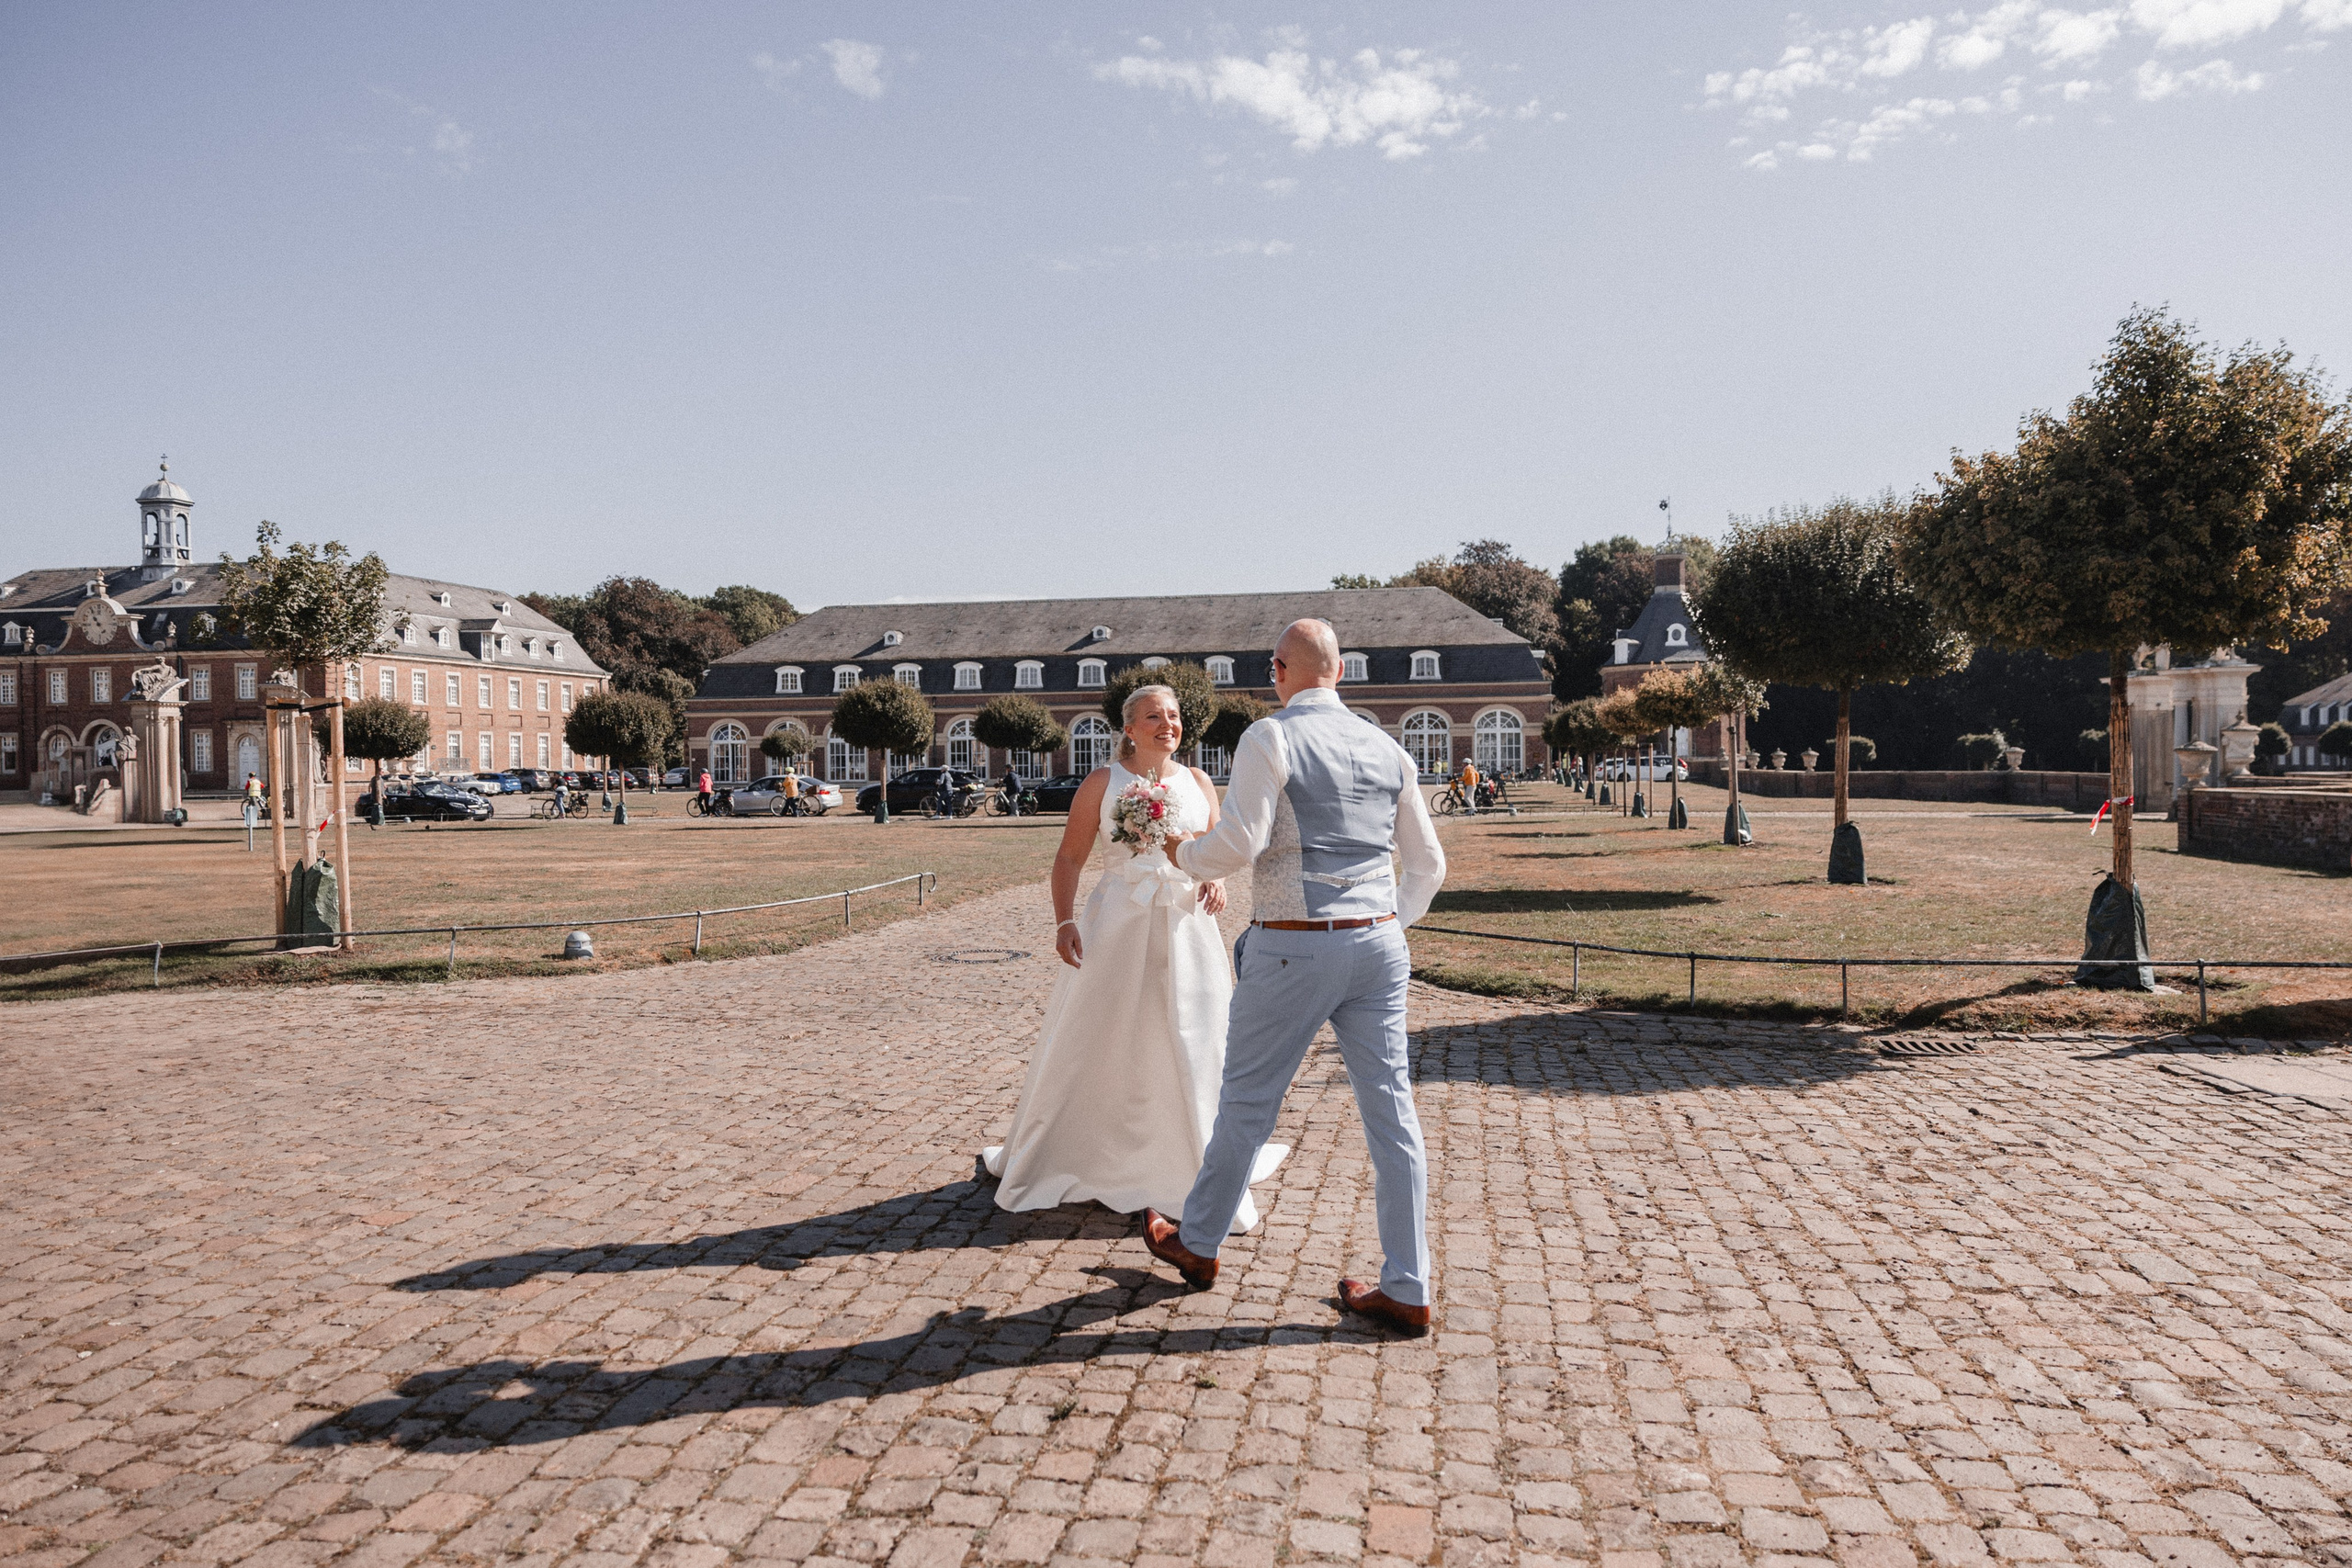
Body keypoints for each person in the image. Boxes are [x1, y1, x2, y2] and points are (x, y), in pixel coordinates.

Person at [1138, 619, 1446, 1337]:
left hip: (1295, 944)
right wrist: (1388, 922)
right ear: (1340, 672)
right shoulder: (1389, 747)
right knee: (1393, 1117)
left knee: (1247, 1100)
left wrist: (1183, 853)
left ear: (1281, 669)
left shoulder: (1269, 737)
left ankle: (1199, 1242)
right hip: (1379, 946)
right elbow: (1429, 864)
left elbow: (1241, 841)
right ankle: (1409, 1282)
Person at [979, 686, 1288, 1228]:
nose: (1166, 724)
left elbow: (1214, 848)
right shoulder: (1102, 783)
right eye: (1153, 717)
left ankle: (1196, 1157)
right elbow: (1070, 856)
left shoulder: (1197, 782)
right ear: (1129, 728)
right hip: (1117, 922)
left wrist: (1214, 879)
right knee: (1104, 1030)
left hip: (1187, 925)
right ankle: (1084, 1153)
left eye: (1172, 716)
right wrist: (1064, 921)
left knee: (1195, 1030)